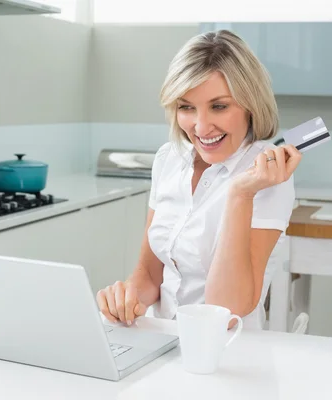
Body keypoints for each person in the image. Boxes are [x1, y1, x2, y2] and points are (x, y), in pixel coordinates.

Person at [96, 30, 302, 330]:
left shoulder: (268, 176)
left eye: (219, 106)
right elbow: (151, 274)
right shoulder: (168, 159)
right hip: (160, 340)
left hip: (228, 351)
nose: (202, 127)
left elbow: (227, 309)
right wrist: (127, 299)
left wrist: (240, 194)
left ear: (250, 104)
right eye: (186, 107)